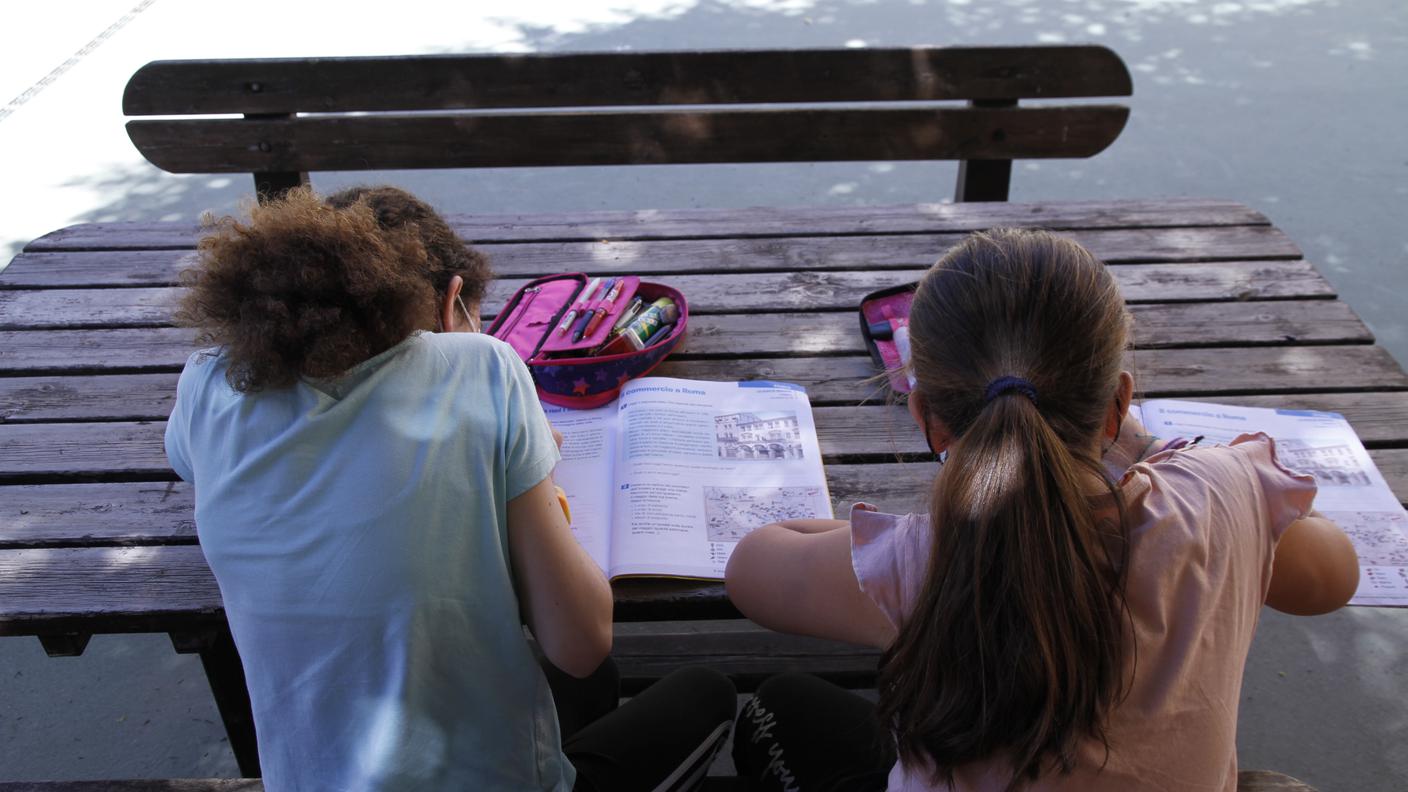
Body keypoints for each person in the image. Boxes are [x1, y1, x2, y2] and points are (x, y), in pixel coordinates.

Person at [724, 229, 1359, 792]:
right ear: (1117, 404)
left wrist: (923, 531)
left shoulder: (922, 560)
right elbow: (1331, 578)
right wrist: (1147, 445)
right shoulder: (1222, 492)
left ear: (928, 421)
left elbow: (752, 565)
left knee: (777, 708)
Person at [165, 186, 734, 791]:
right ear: (452, 305)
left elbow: (188, 463)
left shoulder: (209, 380)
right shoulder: (483, 367)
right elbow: (581, 645)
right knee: (710, 695)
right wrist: (530, 467)